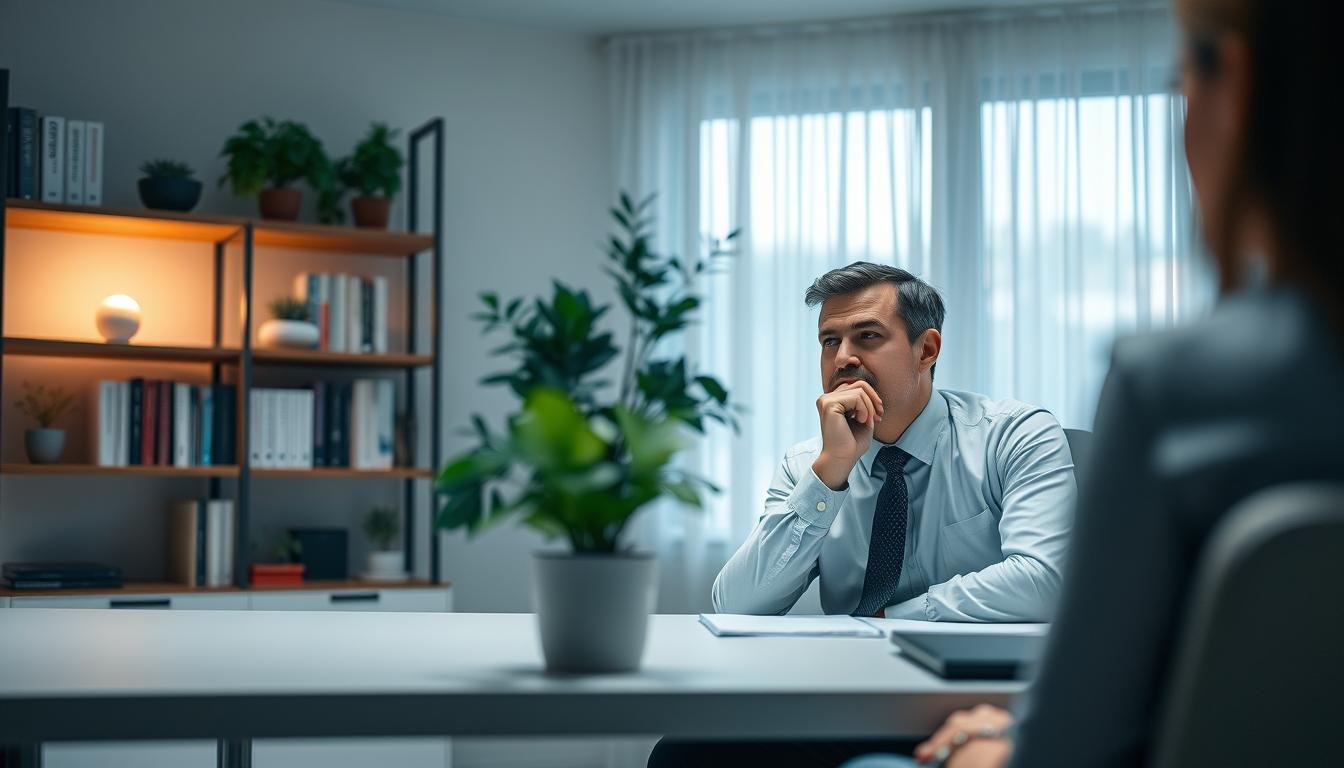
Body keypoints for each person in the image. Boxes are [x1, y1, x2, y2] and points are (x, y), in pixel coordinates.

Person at [846, 0, 1344, 765]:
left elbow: (1075, 742)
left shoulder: (1174, 391)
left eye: (1178, 79)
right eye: (832, 341)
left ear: (1233, 88)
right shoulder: (827, 454)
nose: (845, 357)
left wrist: (1004, 745)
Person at [712, 263, 1076, 622]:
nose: (843, 358)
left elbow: (1046, 582)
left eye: (868, 335)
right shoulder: (808, 464)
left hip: (979, 676)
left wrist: (896, 617)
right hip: (854, 676)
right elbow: (735, 607)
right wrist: (830, 472)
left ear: (927, 350)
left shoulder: (1014, 436)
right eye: (830, 341)